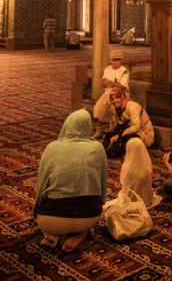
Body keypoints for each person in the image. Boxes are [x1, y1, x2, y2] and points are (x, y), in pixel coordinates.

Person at [33, 109, 107, 252]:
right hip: (90, 215)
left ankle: (60, 238)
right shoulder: (98, 148)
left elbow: (40, 187)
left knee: (43, 221)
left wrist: (37, 213)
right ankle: (82, 233)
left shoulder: (52, 148)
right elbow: (103, 187)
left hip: (53, 219)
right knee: (82, 217)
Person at [93, 49, 129, 138]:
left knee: (117, 111)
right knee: (97, 110)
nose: (116, 62)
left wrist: (111, 82)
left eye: (118, 60)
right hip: (108, 93)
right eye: (114, 60)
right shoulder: (107, 69)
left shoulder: (124, 71)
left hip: (120, 94)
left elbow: (123, 87)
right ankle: (99, 130)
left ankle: (116, 131)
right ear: (110, 60)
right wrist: (103, 84)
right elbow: (105, 86)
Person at [119, 137, 154, 208]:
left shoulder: (127, 167)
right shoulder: (147, 163)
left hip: (130, 201)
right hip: (146, 201)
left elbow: (123, 182)